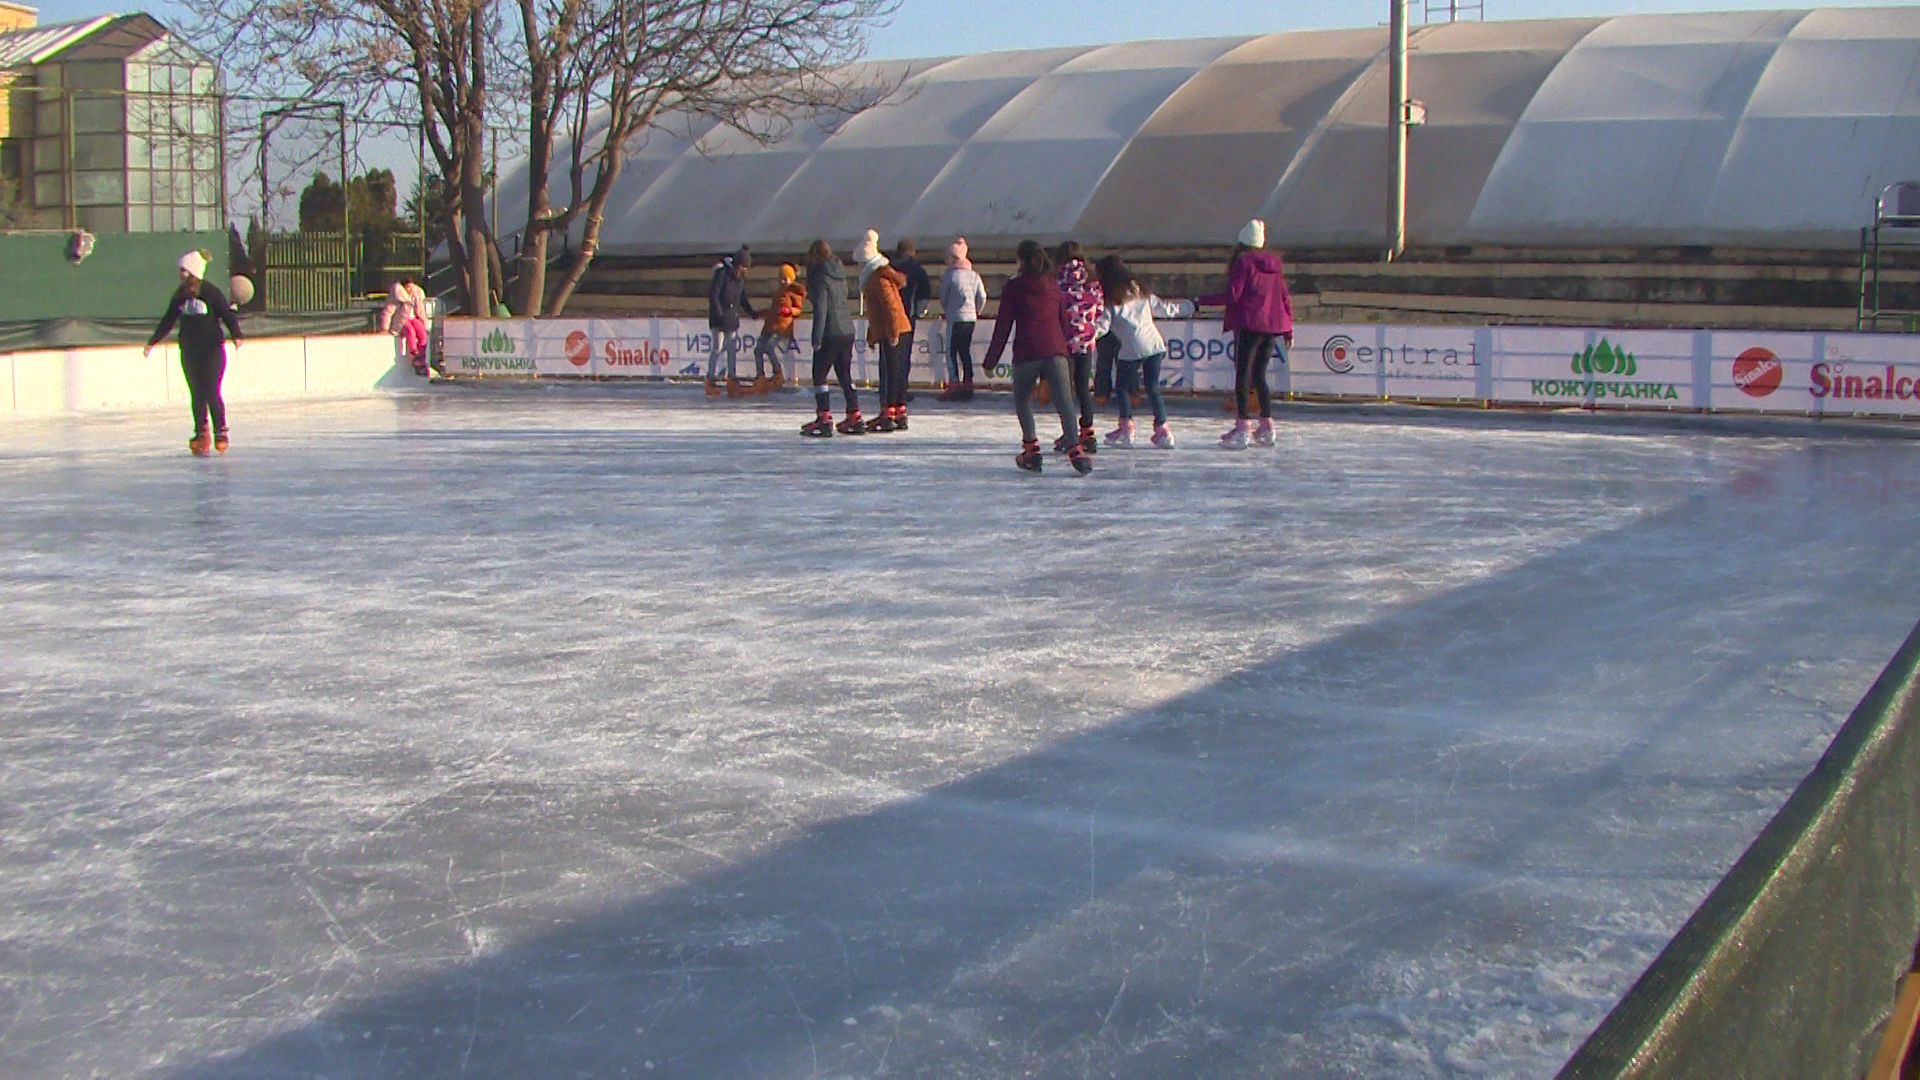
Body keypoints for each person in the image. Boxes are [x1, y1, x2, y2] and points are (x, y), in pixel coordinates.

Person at [982, 240, 1089, 475]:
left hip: (1027, 351)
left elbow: (1004, 326)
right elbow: (1063, 321)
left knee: (1022, 401)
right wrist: (1065, 351)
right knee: (1065, 402)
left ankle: (1031, 450)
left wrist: (991, 361)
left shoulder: (1014, 288)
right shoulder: (1053, 286)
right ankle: (1075, 448)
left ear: (1022, 260)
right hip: (1055, 350)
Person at [1194, 219, 1293, 449]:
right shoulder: (1275, 266)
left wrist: (1202, 301)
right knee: (1259, 376)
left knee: (1243, 375)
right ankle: (1267, 425)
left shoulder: (1243, 262)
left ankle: (1243, 427)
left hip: (1249, 323)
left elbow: (1233, 295)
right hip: (1272, 326)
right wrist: (1288, 328)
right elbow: (1284, 297)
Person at [144, 249, 243, 456]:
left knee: (211, 391)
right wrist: (153, 342)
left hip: (211, 350)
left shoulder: (211, 292)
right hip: (190, 351)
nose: (180, 275)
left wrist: (237, 335)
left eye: (183, 270)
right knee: (197, 393)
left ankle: (220, 431)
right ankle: (200, 432)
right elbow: (168, 320)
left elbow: (227, 314)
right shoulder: (180, 295)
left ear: (192, 271)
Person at [1094, 254, 1188, 449]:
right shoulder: (1140, 291)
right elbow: (1164, 309)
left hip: (1132, 348)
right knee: (1153, 387)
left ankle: (1127, 428)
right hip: (1154, 344)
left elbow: (1102, 326)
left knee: (1121, 388)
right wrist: (1190, 306)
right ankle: (1163, 430)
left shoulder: (1111, 299)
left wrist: (1083, 336)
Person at [801, 239, 866, 437]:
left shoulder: (821, 277)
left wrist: (816, 338)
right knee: (844, 374)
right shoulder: (839, 275)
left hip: (830, 331)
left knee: (819, 375)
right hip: (847, 329)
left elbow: (822, 308)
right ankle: (855, 415)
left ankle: (824, 417)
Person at [854, 230, 912, 432]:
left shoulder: (877, 280)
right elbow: (879, 312)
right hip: (893, 329)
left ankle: (889, 413)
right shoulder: (879, 277)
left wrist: (893, 333)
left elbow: (890, 308)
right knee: (894, 371)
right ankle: (898, 412)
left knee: (890, 372)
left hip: (893, 330)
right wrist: (873, 334)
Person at [1054, 240, 1104, 455]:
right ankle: (1088, 432)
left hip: (1063, 340)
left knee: (1065, 391)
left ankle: (1070, 433)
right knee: (1083, 388)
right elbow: (1100, 309)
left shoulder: (1056, 278)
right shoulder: (1092, 279)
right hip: (1086, 340)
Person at [937, 237, 986, 401]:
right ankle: (968, 382)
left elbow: (943, 296)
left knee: (951, 351)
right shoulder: (975, 276)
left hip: (955, 317)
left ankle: (954, 383)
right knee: (965, 351)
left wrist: (948, 309)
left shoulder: (950, 276)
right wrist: (976, 311)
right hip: (970, 318)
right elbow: (982, 296)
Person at [705, 245, 757, 397]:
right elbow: (714, 295)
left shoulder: (739, 280)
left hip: (732, 319)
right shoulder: (722, 274)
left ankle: (732, 378)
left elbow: (742, 298)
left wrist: (751, 312)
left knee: (732, 349)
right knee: (717, 348)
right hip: (719, 318)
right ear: (738, 265)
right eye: (743, 266)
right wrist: (719, 313)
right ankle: (711, 378)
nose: (745, 270)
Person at [891, 239, 932, 401]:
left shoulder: (888, 267)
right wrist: (919, 312)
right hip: (908, 315)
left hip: (889, 315)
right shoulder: (917, 270)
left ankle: (887, 387)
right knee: (903, 354)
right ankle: (901, 389)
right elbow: (924, 293)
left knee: (888, 354)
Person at [754, 263, 805, 391]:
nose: (782, 281)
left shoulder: (795, 292)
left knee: (769, 347)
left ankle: (777, 373)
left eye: (785, 278)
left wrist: (789, 311)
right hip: (770, 325)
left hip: (783, 326)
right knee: (758, 349)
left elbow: (798, 309)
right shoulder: (779, 291)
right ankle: (760, 375)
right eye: (781, 278)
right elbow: (774, 309)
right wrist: (760, 313)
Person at [379, 273, 431, 376]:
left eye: (411, 288)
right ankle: (414, 355)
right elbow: (388, 311)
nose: (410, 290)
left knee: (422, 333)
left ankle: (421, 355)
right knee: (410, 332)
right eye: (408, 288)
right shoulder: (397, 296)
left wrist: (425, 324)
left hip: (413, 319)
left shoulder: (416, 295)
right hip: (401, 322)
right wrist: (385, 327)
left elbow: (420, 311)